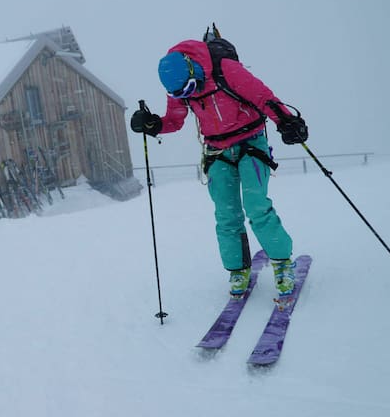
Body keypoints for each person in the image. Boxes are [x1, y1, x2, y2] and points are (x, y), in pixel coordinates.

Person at [130, 27, 308, 300]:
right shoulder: (180, 87)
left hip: (251, 144)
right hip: (216, 151)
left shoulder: (226, 69)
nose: (189, 94)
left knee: (256, 206)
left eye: (190, 87)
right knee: (226, 214)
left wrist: (287, 121)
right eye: (182, 93)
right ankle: (238, 269)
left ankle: (283, 264)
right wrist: (153, 125)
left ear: (192, 68)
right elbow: (175, 120)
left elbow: (263, 97)